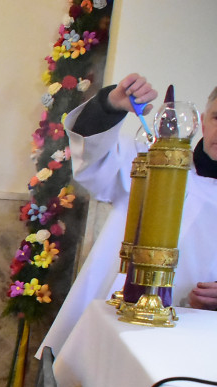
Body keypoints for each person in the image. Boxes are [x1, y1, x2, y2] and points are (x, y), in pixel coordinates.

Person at [40, 73, 217, 355]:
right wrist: (109, 104)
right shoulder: (151, 160)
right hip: (112, 320)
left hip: (189, 344)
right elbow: (92, 159)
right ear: (203, 120)